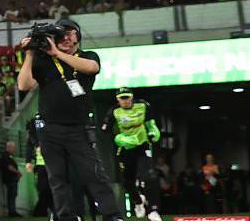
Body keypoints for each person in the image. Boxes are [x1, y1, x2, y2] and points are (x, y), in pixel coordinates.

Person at [17, 19, 121, 221]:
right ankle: (66, 217)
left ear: (77, 36)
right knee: (57, 177)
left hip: (78, 127)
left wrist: (57, 53)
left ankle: (111, 215)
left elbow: (92, 68)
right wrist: (29, 55)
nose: (65, 38)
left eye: (69, 34)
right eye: (60, 35)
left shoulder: (87, 56)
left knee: (93, 173)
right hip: (50, 129)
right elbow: (24, 85)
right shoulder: (43, 60)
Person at [102, 87, 163, 221]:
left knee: (149, 176)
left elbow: (150, 123)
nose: (125, 101)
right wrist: (119, 138)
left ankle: (152, 210)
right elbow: (106, 130)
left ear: (132, 97)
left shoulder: (143, 106)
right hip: (125, 149)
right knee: (127, 181)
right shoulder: (114, 111)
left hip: (142, 146)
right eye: (122, 98)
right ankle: (138, 201)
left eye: (127, 97)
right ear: (117, 99)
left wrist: (153, 132)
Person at [25, 114, 56, 219]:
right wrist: (28, 161)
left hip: (54, 163)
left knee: (53, 188)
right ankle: (51, 210)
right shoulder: (38, 123)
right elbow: (30, 143)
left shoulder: (51, 123)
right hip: (41, 165)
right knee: (43, 189)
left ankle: (54, 210)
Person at [0, 141, 22, 217]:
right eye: (13, 147)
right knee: (11, 195)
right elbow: (8, 166)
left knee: (13, 195)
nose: (14, 149)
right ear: (9, 147)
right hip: (9, 178)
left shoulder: (9, 156)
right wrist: (17, 172)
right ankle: (12, 212)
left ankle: (13, 211)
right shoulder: (5, 155)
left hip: (12, 178)